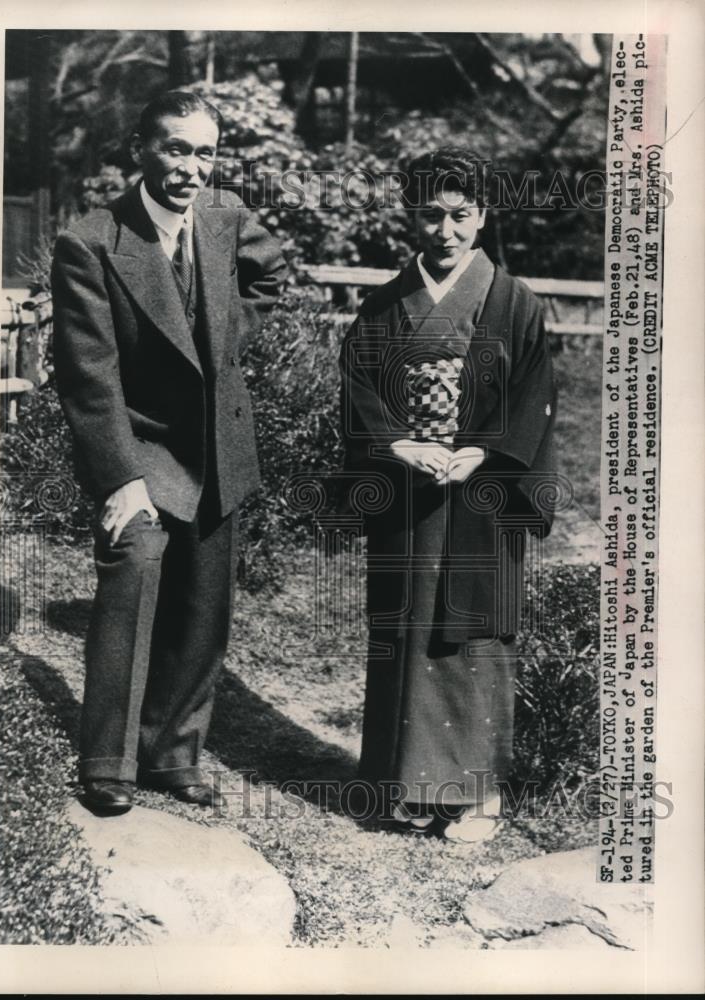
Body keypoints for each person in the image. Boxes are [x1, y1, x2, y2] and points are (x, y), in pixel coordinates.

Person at [51, 90, 287, 814]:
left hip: (216, 443)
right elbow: (89, 376)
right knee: (134, 576)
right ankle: (109, 762)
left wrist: (219, 349)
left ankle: (171, 752)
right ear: (142, 149)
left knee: (202, 604)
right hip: (136, 440)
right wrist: (119, 477)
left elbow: (269, 277)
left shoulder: (226, 219)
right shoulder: (90, 240)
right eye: (176, 148)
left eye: (205, 152)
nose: (191, 167)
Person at [339, 147, 557, 842]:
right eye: (431, 215)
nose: (446, 230)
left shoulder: (513, 302)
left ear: (482, 216)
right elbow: (359, 385)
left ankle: (475, 796)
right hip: (407, 487)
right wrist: (395, 443)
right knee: (403, 630)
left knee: (472, 633)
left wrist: (484, 451)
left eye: (461, 215)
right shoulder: (382, 305)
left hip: (478, 491)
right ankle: (402, 788)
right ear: (412, 215)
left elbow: (534, 394)